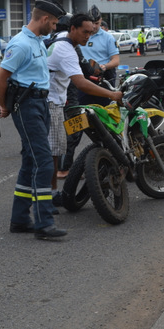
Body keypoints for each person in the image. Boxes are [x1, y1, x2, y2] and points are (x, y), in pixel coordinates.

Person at [0, 0, 68, 240]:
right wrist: (4, 106)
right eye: (54, 23)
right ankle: (44, 224)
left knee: (30, 161)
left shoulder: (37, 41)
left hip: (40, 102)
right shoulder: (22, 44)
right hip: (27, 105)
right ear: (44, 19)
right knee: (44, 162)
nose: (55, 28)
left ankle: (20, 219)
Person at [47, 13, 123, 194]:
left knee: (56, 149)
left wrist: (102, 69)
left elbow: (114, 60)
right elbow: (82, 79)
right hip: (67, 95)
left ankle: (52, 192)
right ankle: (49, 193)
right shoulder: (67, 48)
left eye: (92, 29)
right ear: (72, 28)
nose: (88, 35)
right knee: (70, 133)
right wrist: (112, 94)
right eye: (85, 31)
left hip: (66, 95)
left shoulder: (63, 40)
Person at [78, 5, 120, 104]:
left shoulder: (108, 38)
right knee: (82, 110)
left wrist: (104, 66)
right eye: (91, 23)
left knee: (104, 111)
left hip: (102, 78)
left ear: (101, 20)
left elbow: (116, 60)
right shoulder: (80, 36)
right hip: (83, 77)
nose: (94, 26)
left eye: (96, 23)